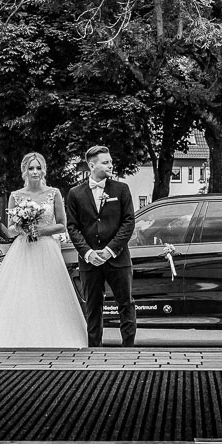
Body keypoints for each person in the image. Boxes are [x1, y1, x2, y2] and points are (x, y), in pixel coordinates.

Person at [0, 152, 88, 349]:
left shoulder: (54, 193)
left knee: (49, 292)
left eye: (38, 168)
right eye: (31, 168)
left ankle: (53, 336)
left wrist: (42, 230)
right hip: (23, 249)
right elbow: (10, 229)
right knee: (22, 292)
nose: (35, 172)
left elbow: (62, 225)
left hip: (47, 248)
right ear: (24, 171)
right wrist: (23, 225)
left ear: (44, 170)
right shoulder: (15, 196)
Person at [63, 143, 137, 347]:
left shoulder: (121, 189)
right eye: (106, 162)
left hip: (117, 258)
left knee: (126, 304)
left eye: (111, 161)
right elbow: (73, 227)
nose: (111, 165)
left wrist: (110, 250)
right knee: (93, 307)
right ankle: (94, 350)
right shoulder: (75, 193)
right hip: (89, 261)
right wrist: (87, 253)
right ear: (91, 165)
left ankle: (129, 349)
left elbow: (129, 222)